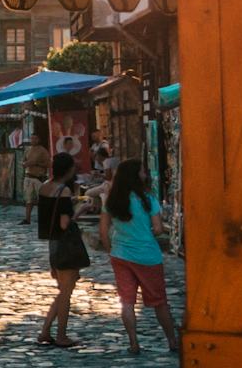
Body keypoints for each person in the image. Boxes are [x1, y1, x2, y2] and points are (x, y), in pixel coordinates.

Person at [97, 159, 180, 355]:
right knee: (159, 302)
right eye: (142, 171)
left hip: (120, 254)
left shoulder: (112, 200)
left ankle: (134, 342)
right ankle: (172, 341)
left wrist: (110, 249)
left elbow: (102, 230)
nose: (145, 174)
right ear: (136, 175)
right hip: (147, 256)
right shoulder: (147, 199)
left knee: (127, 302)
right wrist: (150, 231)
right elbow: (159, 229)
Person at [35, 152, 89, 349]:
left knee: (62, 291)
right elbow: (65, 222)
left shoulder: (44, 187)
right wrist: (81, 209)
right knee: (66, 293)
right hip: (66, 244)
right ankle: (61, 335)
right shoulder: (63, 191)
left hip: (52, 242)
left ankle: (46, 331)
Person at [20, 130, 52, 231]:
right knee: (29, 199)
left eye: (35, 138)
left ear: (38, 139)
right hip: (28, 176)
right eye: (32, 138)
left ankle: (43, 218)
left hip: (38, 177)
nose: (33, 140)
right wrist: (25, 164)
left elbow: (49, 164)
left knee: (41, 199)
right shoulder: (28, 149)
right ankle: (27, 218)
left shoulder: (42, 150)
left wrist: (36, 163)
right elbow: (23, 161)